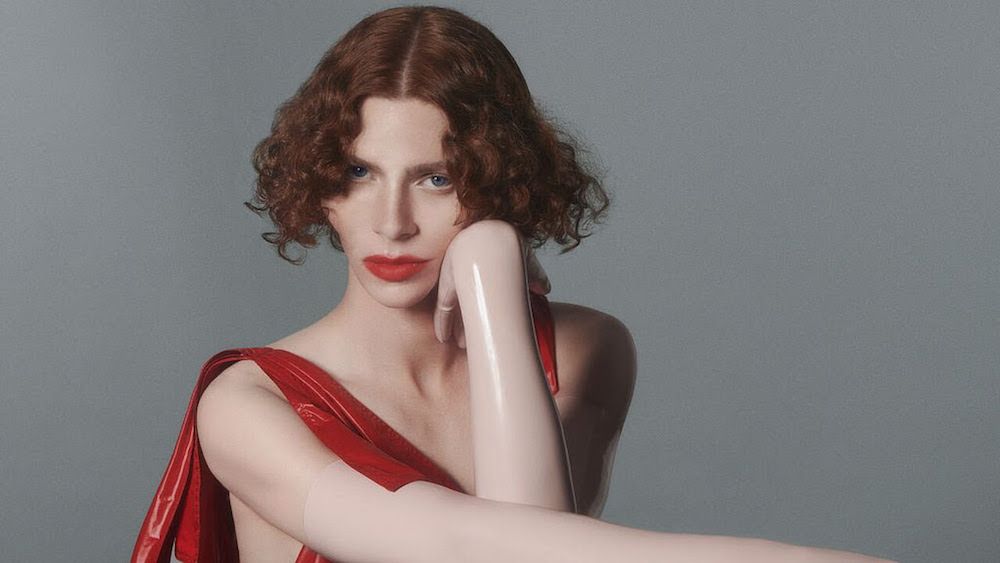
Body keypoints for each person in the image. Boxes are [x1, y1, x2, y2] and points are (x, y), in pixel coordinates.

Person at [132, 6, 894, 562]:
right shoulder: (246, 405)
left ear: (496, 177)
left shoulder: (587, 348)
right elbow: (484, 551)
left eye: (436, 178)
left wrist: (492, 274)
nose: (392, 221)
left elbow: (536, 540)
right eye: (360, 172)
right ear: (320, 179)